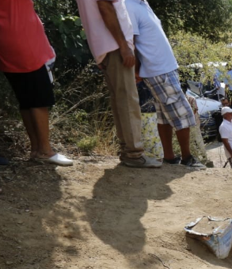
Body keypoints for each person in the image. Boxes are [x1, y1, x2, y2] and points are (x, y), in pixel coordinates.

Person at [75, 0, 160, 167]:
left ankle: (128, 151)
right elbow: (105, 6)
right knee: (128, 99)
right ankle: (134, 154)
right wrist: (124, 46)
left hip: (106, 47)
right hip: (115, 46)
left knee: (120, 100)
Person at [125, 0, 203, 168]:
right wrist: (137, 70)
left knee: (164, 115)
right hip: (158, 69)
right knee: (183, 113)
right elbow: (131, 41)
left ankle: (169, 157)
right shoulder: (129, 5)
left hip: (163, 68)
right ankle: (187, 158)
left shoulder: (142, 4)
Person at [0, 0, 73, 166]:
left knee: (26, 98)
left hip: (7, 41)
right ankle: (45, 151)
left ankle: (36, 149)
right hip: (24, 41)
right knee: (40, 97)